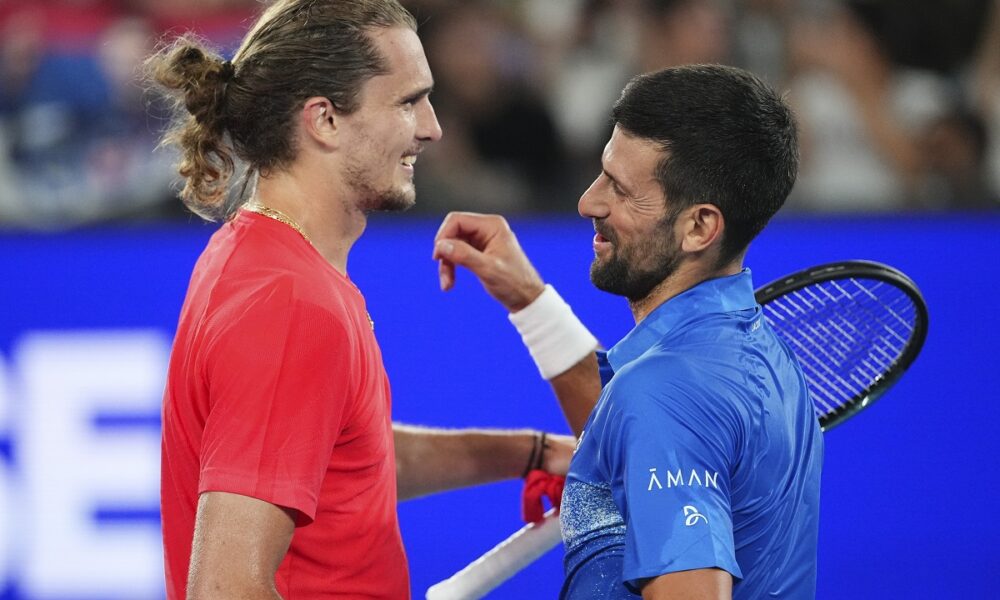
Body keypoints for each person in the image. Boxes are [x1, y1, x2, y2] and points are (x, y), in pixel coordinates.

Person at [146, 1, 573, 598]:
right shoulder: (290, 305)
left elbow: (352, 461)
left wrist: (533, 452)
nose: (432, 127)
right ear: (323, 120)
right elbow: (226, 588)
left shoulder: (262, 259)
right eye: (407, 101)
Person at [434, 64, 824, 599]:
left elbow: (655, 412)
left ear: (699, 227)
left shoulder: (663, 393)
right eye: (602, 174)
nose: (589, 202)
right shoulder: (754, 353)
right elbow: (625, 427)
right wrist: (529, 301)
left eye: (619, 189)